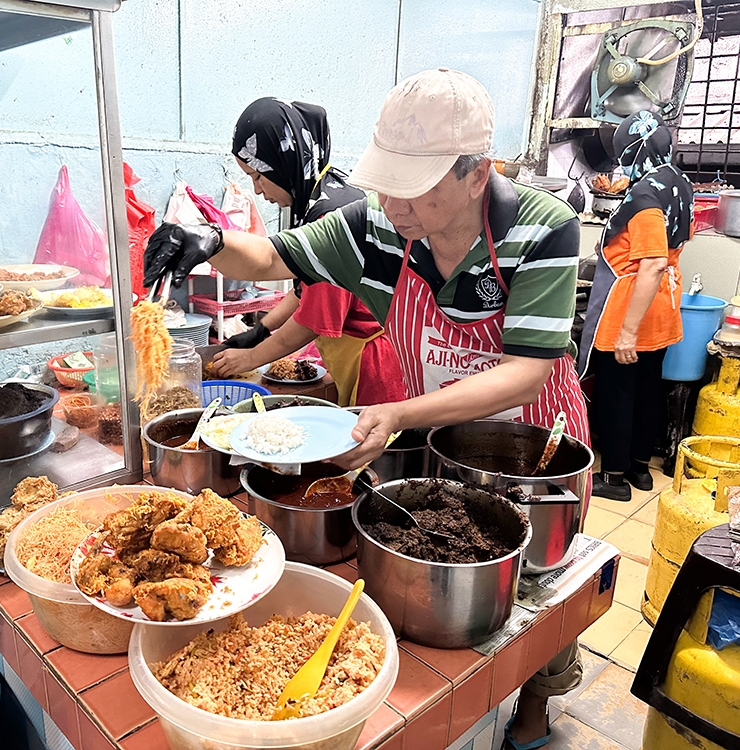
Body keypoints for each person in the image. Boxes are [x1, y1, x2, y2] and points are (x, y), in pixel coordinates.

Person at [145, 68, 590, 750]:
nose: (390, 202)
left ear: (477, 174)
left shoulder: (544, 229)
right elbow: (273, 257)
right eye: (386, 181)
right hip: (438, 435)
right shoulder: (379, 228)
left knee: (537, 586)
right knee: (448, 582)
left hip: (531, 448)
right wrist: (207, 240)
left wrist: (401, 413)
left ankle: (536, 703)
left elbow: (526, 375)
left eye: (412, 185)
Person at [209, 98, 406, 406]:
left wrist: (250, 358)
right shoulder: (328, 192)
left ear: (283, 164)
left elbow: (314, 320)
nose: (258, 190)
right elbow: (307, 289)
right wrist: (261, 329)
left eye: (258, 176)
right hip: (358, 357)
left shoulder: (329, 213)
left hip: (374, 369)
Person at [579, 111, 694, 501]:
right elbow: (676, 245)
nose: (622, 163)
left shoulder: (646, 194)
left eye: (624, 153)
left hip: (633, 306)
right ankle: (639, 469)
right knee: (648, 388)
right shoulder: (679, 182)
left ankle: (613, 478)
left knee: (618, 392)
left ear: (636, 149)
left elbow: (653, 262)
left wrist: (627, 331)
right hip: (663, 305)